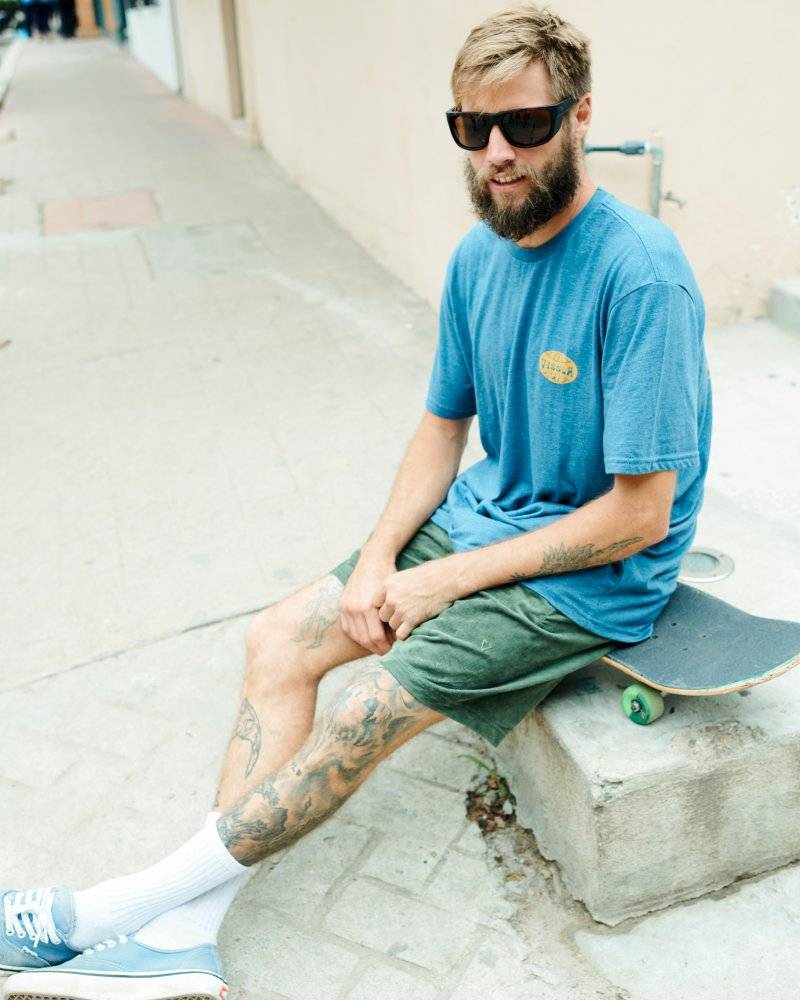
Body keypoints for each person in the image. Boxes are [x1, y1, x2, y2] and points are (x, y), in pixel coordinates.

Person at [0, 4, 712, 998]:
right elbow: (439, 427)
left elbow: (638, 516)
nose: (496, 154)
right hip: (486, 516)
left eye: (524, 126)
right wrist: (380, 557)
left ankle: (105, 912)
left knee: (370, 704)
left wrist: (443, 582)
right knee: (274, 641)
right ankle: (183, 937)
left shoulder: (638, 275)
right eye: (471, 129)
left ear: (581, 114)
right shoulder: (476, 257)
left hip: (592, 577)